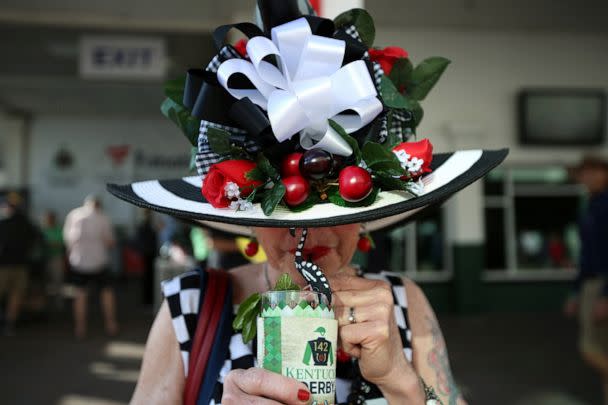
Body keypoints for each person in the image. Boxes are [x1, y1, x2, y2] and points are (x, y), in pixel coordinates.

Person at [107, 1, 507, 403]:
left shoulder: (403, 304)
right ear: (250, 222)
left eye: (338, 211)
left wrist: (398, 378)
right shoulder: (191, 308)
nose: (312, 232)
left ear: (365, 217)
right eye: (285, 217)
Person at [564, 155, 608, 404]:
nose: (590, 177)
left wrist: (605, 295)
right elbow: (586, 255)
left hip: (603, 285)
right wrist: (575, 293)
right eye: (585, 172)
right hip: (591, 284)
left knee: (594, 347)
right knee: (593, 348)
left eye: (596, 171)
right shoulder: (590, 205)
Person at [63, 195, 118, 338]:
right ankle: (110, 324)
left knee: (80, 294)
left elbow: (67, 240)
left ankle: (80, 328)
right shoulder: (103, 217)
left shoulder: (73, 215)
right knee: (106, 293)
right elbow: (110, 242)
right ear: (99, 205)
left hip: (79, 262)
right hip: (99, 262)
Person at [0, 192, 37, 335]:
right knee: (16, 296)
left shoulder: (3, 224)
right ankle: (9, 325)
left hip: (4, 266)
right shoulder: (27, 223)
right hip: (21, 265)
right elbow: (36, 240)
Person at [135, 209, 158, 306]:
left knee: (147, 277)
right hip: (149, 253)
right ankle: (148, 300)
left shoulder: (143, 225)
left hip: (147, 253)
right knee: (148, 277)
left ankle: (147, 300)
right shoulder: (148, 225)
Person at [42, 211, 65, 308]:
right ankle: (44, 302)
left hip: (56, 258)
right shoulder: (42, 230)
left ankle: (58, 302)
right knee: (44, 281)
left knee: (57, 281)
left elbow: (61, 243)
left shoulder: (59, 230)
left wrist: (49, 244)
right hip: (44, 258)